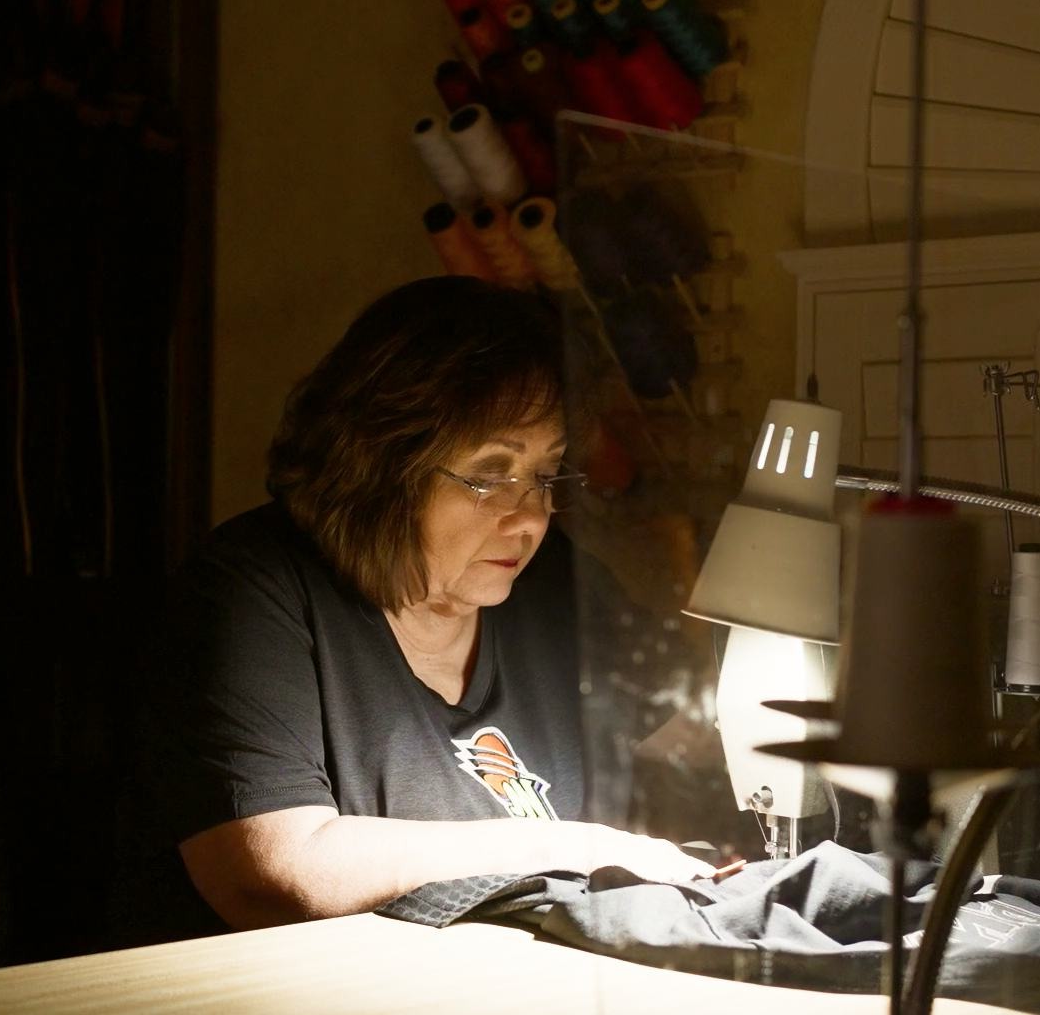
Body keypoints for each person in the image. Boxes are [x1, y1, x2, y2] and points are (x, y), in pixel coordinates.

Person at [128, 276, 711, 938]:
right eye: (492, 474)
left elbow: (693, 749)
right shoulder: (253, 590)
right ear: (383, 463)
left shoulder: (554, 585)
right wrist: (574, 846)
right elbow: (271, 873)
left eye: (547, 475)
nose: (529, 518)